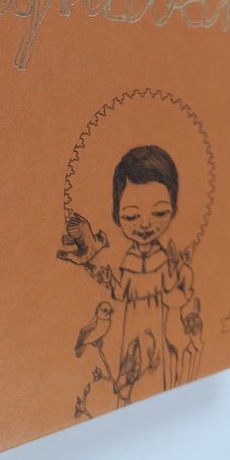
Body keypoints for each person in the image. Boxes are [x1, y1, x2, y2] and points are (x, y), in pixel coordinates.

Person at [58, 145, 199, 398]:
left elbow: (170, 293)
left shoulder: (162, 258)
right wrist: (105, 276)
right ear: (117, 216)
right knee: (131, 368)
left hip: (156, 321)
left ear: (174, 210)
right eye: (131, 216)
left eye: (159, 213)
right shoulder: (129, 261)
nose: (145, 224)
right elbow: (121, 293)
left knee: (154, 369)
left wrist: (177, 273)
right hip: (133, 321)